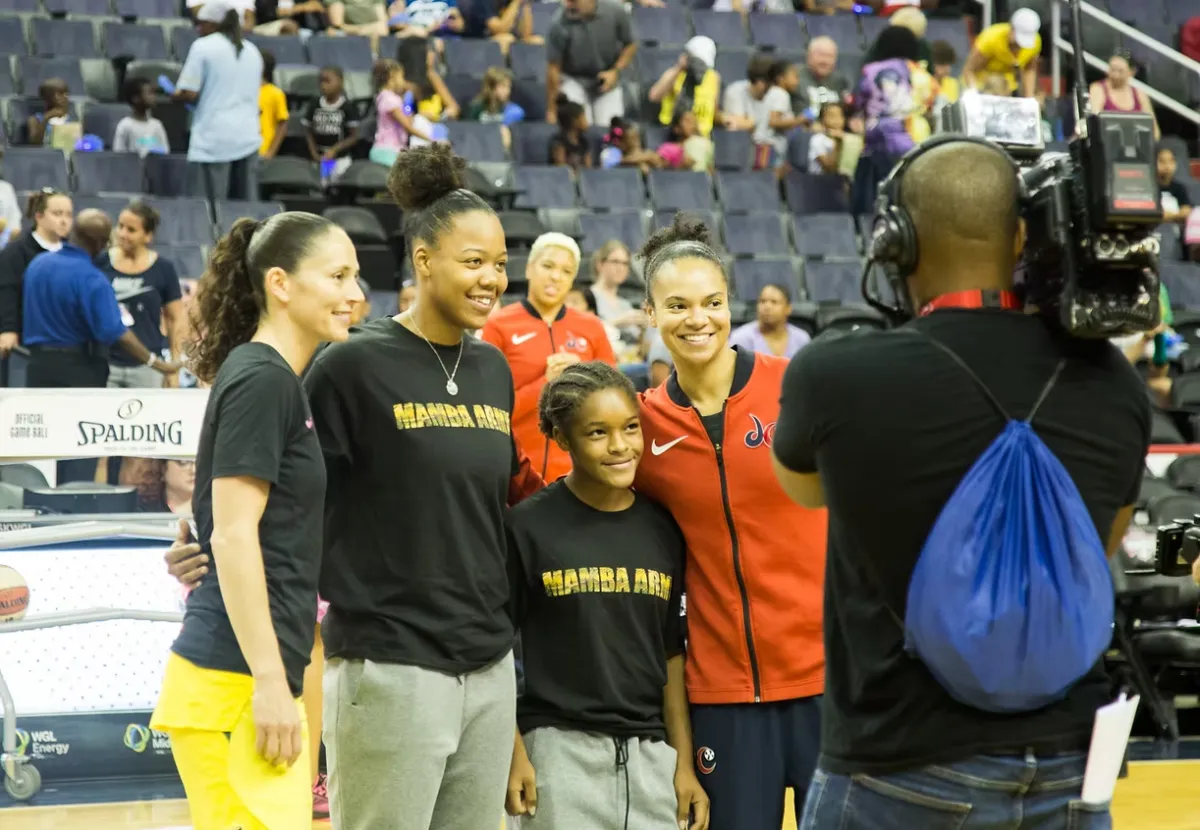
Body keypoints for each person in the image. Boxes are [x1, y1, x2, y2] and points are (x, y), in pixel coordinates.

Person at [770, 140, 1149, 829]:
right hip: (1071, 767)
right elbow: (1108, 538)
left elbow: (802, 490)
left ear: (896, 243)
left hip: (902, 767)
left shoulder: (835, 377)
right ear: (1024, 236)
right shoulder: (1113, 382)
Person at [305, 144, 542, 830]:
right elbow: (292, 496)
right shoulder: (351, 365)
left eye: (500, 264)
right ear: (424, 260)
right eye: (474, 262)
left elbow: (492, 511)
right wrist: (206, 533)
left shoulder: (494, 369)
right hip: (388, 666)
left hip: (488, 671)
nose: (492, 279)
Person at [150, 212, 363, 830]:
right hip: (235, 683)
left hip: (251, 678)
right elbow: (235, 533)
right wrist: (271, 682)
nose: (355, 294)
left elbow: (226, 523)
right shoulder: (261, 379)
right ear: (281, 283)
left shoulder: (274, 380)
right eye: (338, 275)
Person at [632, 215, 828, 830]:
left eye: (713, 303)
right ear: (650, 312)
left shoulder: (796, 388)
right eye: (679, 306)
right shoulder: (643, 426)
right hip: (722, 696)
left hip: (826, 680)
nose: (699, 320)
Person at [505, 362, 709, 830]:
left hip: (650, 759)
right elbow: (496, 651)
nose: (620, 446)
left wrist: (681, 763)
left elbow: (670, 655)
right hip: (556, 756)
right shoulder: (527, 528)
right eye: (598, 433)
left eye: (631, 428)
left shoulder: (663, 528)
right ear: (562, 439)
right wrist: (513, 752)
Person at [22, 209, 181, 482]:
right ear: (101, 243)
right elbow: (113, 331)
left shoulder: (38, 265)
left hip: (36, 368)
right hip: (79, 371)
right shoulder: (92, 277)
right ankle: (75, 518)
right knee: (79, 457)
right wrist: (157, 363)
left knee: (42, 452)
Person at [481, 233, 616, 483]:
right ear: (529, 268)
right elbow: (488, 411)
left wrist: (583, 376)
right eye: (548, 266)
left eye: (566, 271)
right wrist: (546, 384)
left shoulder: (592, 327)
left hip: (578, 474)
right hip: (515, 473)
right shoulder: (499, 326)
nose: (556, 276)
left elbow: (614, 404)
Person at [173, 0, 264, 202]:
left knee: (208, 210)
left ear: (213, 24)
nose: (198, 29)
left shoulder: (203, 47)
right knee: (244, 211)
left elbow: (189, 93)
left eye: (201, 23)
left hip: (213, 140)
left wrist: (173, 94)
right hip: (248, 138)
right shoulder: (253, 52)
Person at [99, 200, 185, 389]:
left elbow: (175, 319)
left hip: (147, 366)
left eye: (131, 230)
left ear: (147, 236)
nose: (122, 234)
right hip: (105, 364)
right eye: (120, 226)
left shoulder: (163, 269)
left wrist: (173, 368)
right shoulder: (101, 262)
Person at [0, 189, 72, 357]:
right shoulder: (15, 253)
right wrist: (8, 329)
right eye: (57, 214)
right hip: (29, 340)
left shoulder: (74, 251)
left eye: (69, 215)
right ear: (39, 216)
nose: (64, 221)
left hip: (66, 340)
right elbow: (7, 293)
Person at [545, 0, 637, 128]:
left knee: (609, 129)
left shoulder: (616, 10)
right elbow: (553, 68)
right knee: (578, 127)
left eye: (573, 1)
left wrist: (615, 72)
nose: (568, 5)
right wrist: (552, 109)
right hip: (574, 80)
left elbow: (630, 44)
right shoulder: (559, 22)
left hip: (606, 80)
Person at [963, 7, 1041, 97]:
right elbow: (969, 70)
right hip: (984, 86)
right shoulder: (990, 39)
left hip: (1008, 88)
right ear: (1011, 28)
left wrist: (1029, 97)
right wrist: (974, 92)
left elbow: (1029, 68)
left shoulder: (1035, 42)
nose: (1020, 46)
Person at [304, 65, 361, 182]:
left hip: (340, 159)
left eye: (327, 81)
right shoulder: (315, 104)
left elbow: (354, 136)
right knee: (321, 186)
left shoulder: (348, 107)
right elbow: (308, 131)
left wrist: (335, 150)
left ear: (340, 82)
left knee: (336, 186)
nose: (323, 85)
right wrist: (314, 153)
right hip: (320, 158)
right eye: (321, 81)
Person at [729, 283, 811, 358]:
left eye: (774, 302)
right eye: (762, 301)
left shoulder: (801, 339)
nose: (767, 307)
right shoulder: (741, 338)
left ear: (788, 308)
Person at [113, 77, 170, 157]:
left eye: (154, 93)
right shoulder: (125, 125)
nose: (153, 97)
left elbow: (165, 152)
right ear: (136, 98)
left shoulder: (157, 125)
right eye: (150, 93)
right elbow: (118, 154)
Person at [27, 77, 76, 146]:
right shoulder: (35, 120)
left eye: (66, 93)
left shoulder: (70, 120)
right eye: (60, 94)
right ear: (47, 98)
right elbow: (35, 142)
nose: (65, 97)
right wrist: (46, 118)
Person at [259, 51, 289, 159]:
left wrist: (271, 152)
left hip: (263, 151)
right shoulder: (244, 91)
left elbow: (282, 126)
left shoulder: (275, 93)